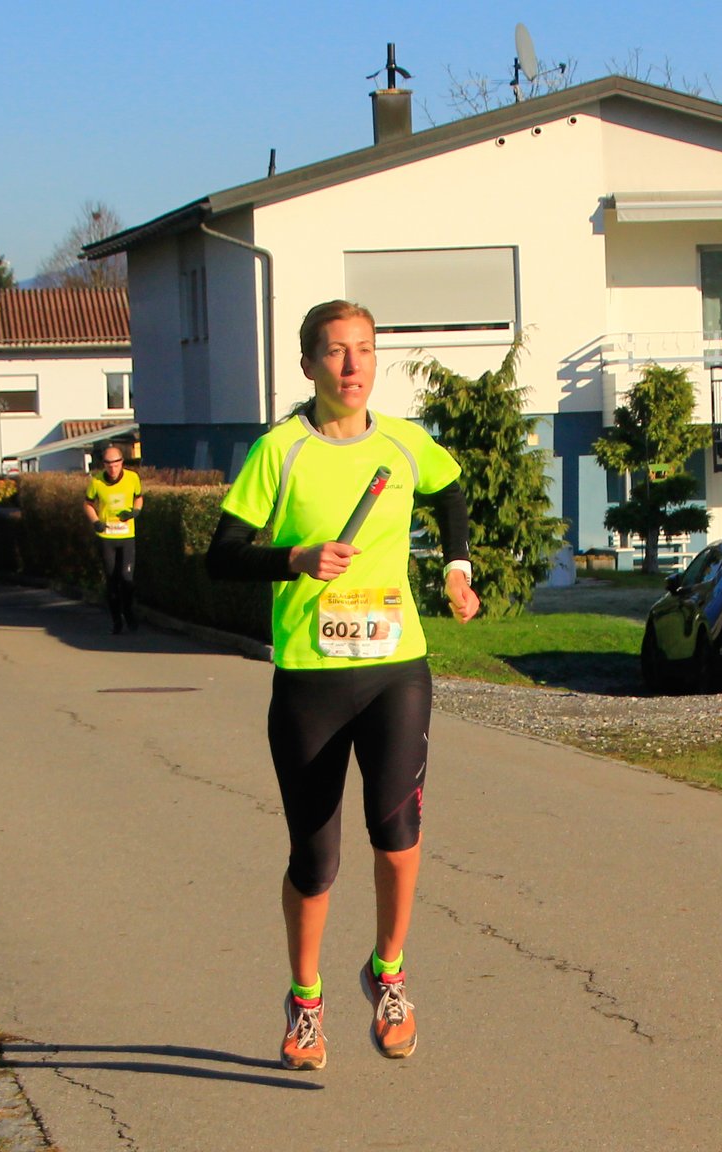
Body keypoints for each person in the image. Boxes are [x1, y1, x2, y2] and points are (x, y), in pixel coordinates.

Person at [205, 300, 480, 1070]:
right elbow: (222, 554)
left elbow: (450, 489)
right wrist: (294, 558)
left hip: (395, 670)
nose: (352, 365)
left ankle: (389, 974)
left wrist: (457, 569)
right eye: (335, 351)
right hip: (310, 678)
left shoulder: (404, 443)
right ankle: (305, 1001)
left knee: (398, 834)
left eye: (363, 349)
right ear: (308, 365)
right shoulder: (280, 451)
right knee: (315, 859)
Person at [82, 445, 143, 633]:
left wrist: (135, 512)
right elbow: (88, 504)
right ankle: (116, 620)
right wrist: (95, 521)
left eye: (116, 464)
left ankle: (129, 612)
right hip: (107, 537)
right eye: (108, 465)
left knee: (127, 578)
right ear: (104, 465)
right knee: (112, 579)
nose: (112, 469)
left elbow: (139, 497)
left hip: (126, 535)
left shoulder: (132, 478)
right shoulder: (97, 481)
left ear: (122, 463)